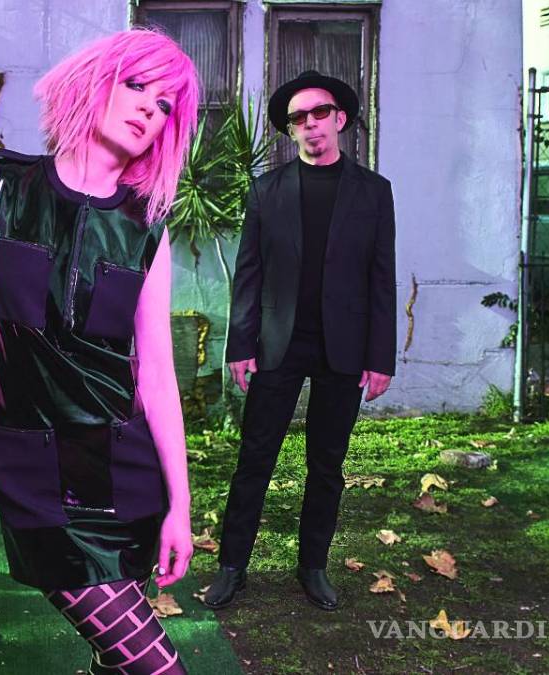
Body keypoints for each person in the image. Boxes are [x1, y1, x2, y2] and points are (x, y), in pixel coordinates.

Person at [0, 29, 199, 674]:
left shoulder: (147, 225)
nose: (149, 108)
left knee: (115, 657)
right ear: (97, 82)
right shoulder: (4, 187)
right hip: (33, 470)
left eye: (165, 104)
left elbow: (157, 375)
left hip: (125, 471)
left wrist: (181, 507)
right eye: (138, 86)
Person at [202, 70, 397, 612]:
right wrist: (240, 345)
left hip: (344, 347)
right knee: (254, 459)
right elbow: (249, 275)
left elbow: (382, 278)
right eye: (298, 118)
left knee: (327, 465)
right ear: (290, 130)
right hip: (277, 344)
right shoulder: (267, 191)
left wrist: (381, 357)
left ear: (340, 119)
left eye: (319, 113)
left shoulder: (374, 192)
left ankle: (313, 567)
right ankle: (232, 567)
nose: (310, 124)